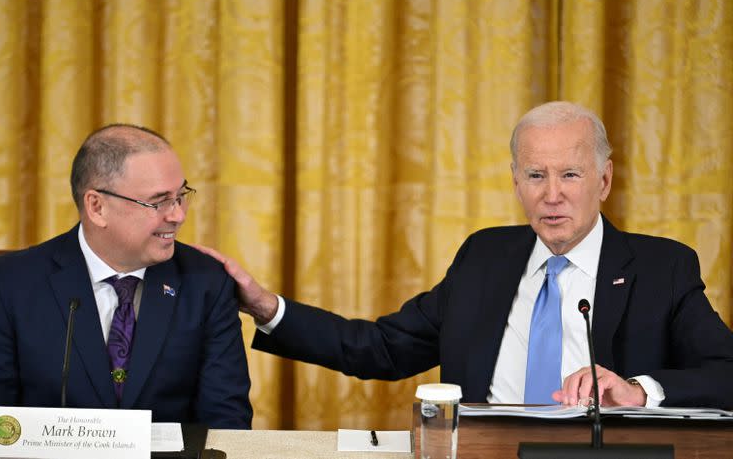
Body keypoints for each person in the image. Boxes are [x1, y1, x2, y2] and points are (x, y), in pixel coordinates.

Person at [199, 101, 733, 409]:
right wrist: (269, 308)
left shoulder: (662, 268)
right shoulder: (485, 257)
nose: (552, 195)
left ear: (604, 180)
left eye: (570, 174)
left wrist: (638, 390)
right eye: (534, 176)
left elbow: (725, 372)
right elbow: (383, 348)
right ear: (516, 182)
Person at [0, 124, 252, 428]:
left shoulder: (206, 283)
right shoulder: (11, 284)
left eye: (180, 196)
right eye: (158, 201)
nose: (177, 215)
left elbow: (227, 424)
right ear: (97, 207)